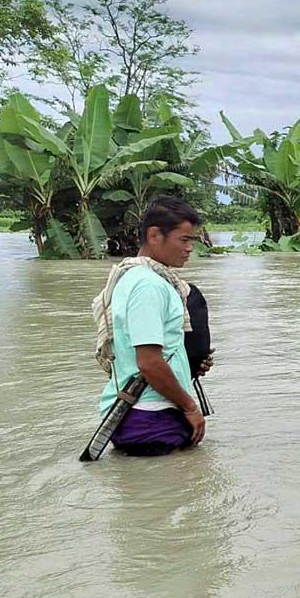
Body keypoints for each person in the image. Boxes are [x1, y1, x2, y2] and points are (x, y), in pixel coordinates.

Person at [94, 195, 208, 455]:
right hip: (151, 416)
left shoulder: (132, 278)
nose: (190, 248)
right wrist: (190, 407)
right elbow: (148, 362)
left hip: (136, 415)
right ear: (155, 235)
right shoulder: (150, 285)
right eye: (184, 239)